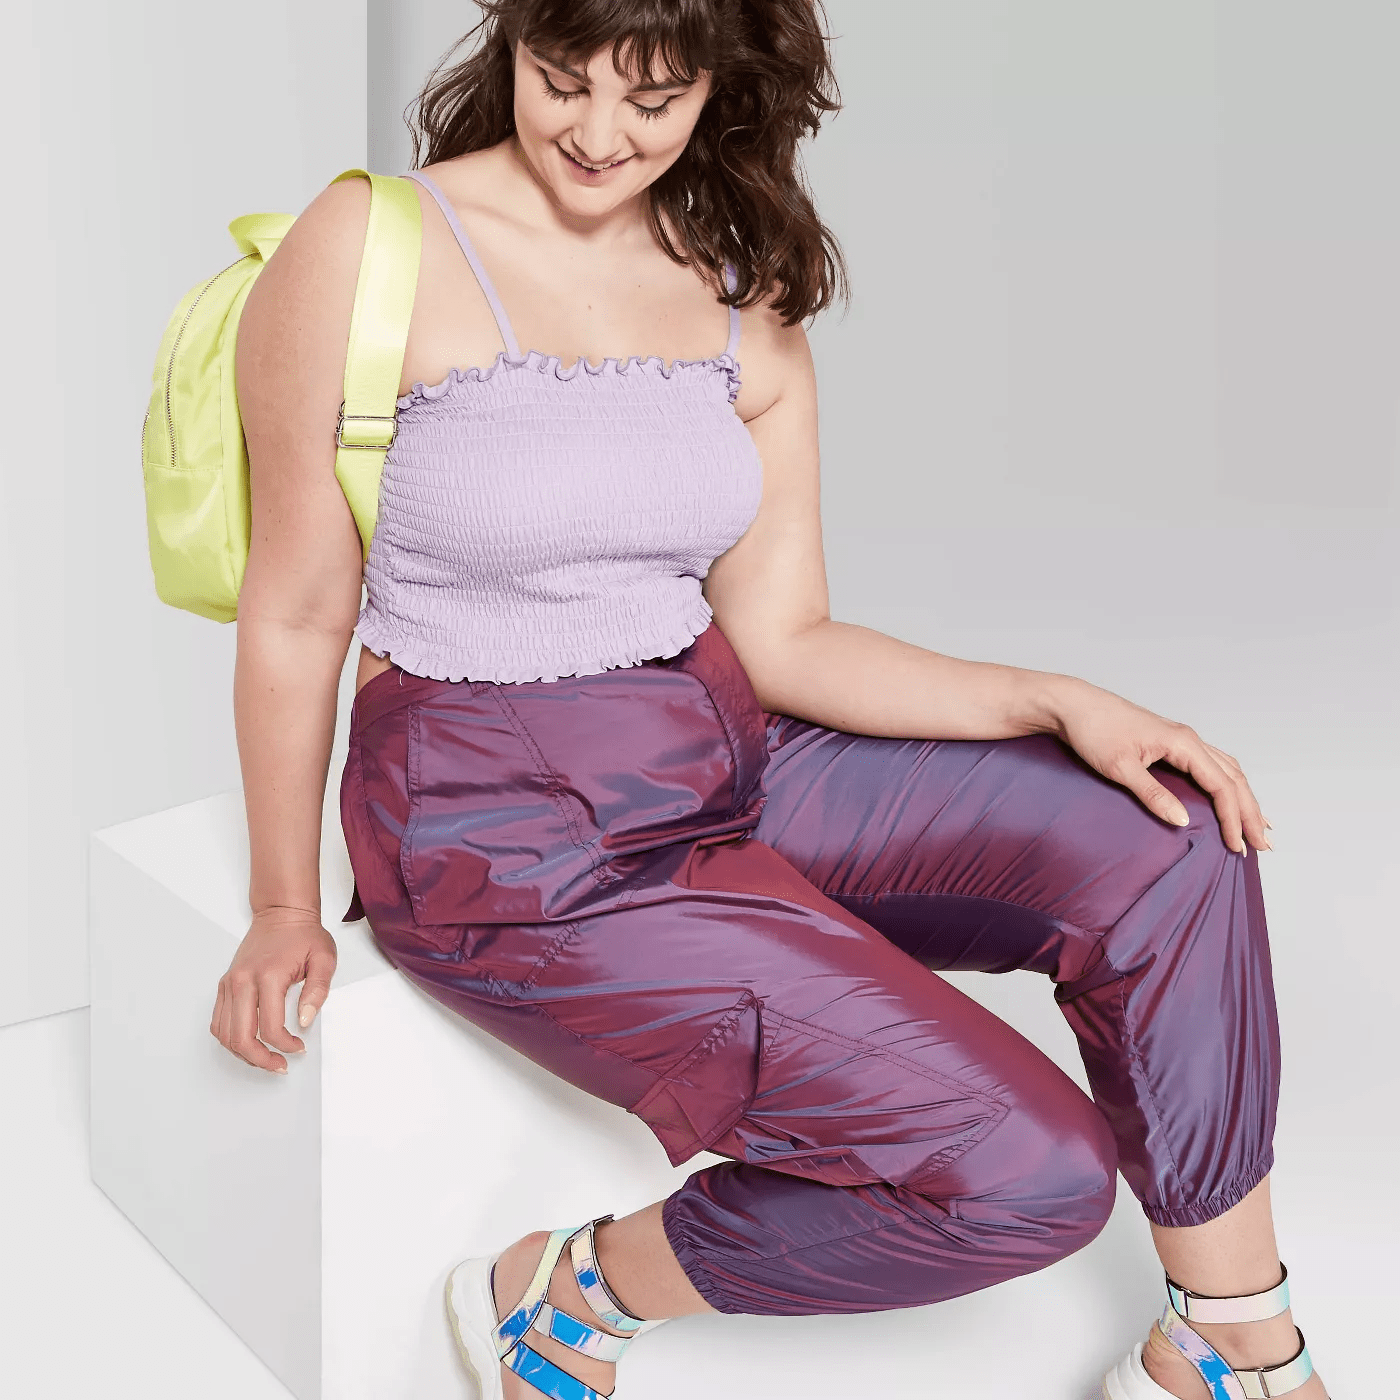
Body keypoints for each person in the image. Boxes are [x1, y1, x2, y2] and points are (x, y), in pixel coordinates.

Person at [212, 3, 1329, 1398]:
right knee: (1032, 1178)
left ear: (718, 88)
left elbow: (788, 637)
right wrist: (279, 904)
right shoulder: (369, 245)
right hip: (501, 831)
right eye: (561, 81)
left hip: (718, 747)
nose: (597, 135)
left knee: (1165, 834)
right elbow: (297, 610)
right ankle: (574, 1291)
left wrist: (1054, 701)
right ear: (511, 44)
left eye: (651, 100)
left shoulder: (736, 279)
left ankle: (1227, 1334)